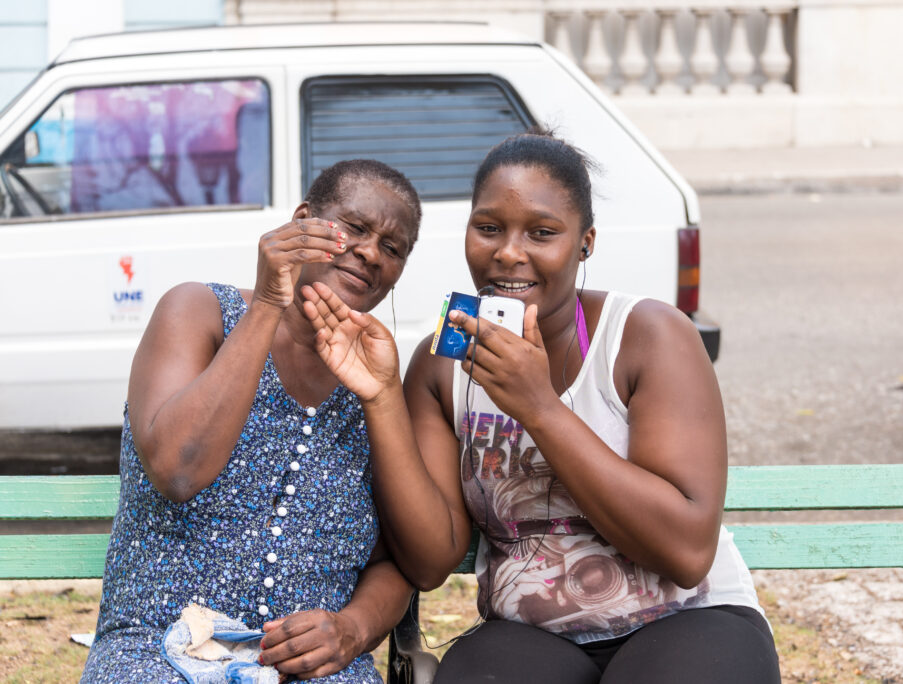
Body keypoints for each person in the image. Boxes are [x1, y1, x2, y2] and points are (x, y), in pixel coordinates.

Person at [301, 133, 781, 683]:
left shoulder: (647, 336)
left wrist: (540, 408)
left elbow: (686, 551)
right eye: (488, 228)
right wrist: (384, 398)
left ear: (585, 243)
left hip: (688, 619)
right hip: (529, 634)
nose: (508, 252)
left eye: (542, 233)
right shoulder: (442, 365)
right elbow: (433, 561)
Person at [80, 159, 422, 684]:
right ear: (303, 221)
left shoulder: (372, 378)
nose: (371, 252)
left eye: (393, 248)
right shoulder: (198, 312)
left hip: (312, 668)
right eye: (354, 228)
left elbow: (399, 559)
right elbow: (178, 470)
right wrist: (269, 301)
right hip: (155, 652)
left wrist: (351, 630)